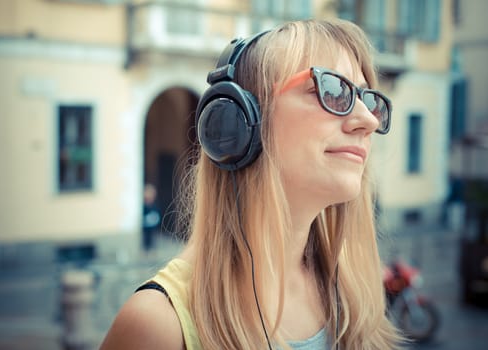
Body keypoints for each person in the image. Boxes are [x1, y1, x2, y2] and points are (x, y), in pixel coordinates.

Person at [101, 18, 402, 350]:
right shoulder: (156, 325)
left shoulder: (350, 295)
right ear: (238, 122)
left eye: (369, 99)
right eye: (331, 89)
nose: (368, 120)